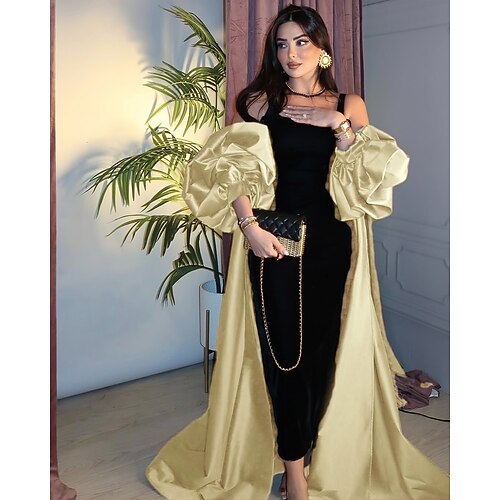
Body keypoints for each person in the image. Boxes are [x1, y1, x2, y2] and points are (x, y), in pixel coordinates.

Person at [146, 5, 450, 499]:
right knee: (285, 357)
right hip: (275, 242)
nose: (291, 53)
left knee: (322, 356)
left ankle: (310, 451)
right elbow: (231, 169)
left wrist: (338, 124)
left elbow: (371, 174)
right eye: (282, 44)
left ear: (322, 47)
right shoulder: (261, 101)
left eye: (301, 42)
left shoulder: (350, 103)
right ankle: (294, 472)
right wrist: (248, 227)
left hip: (332, 245)